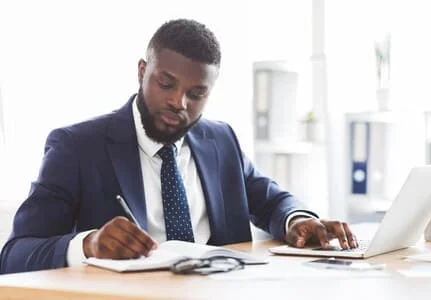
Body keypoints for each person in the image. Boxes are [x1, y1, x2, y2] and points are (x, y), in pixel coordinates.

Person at [0, 19, 358, 274]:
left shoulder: (221, 141)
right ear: (142, 71)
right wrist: (88, 245)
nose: (179, 102)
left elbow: (272, 201)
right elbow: (15, 255)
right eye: (166, 84)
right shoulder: (77, 147)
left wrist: (299, 220)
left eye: (196, 93)